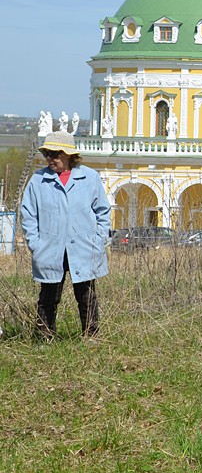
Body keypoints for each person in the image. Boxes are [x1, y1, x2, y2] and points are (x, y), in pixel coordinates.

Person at [20, 131, 110, 339]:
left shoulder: (89, 177)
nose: (50, 159)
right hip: (50, 248)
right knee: (48, 296)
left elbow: (103, 212)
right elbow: (28, 215)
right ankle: (45, 336)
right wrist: (35, 243)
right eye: (47, 154)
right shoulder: (37, 181)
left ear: (69, 155)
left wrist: (100, 240)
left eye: (55, 154)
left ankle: (91, 336)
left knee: (86, 296)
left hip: (84, 247)